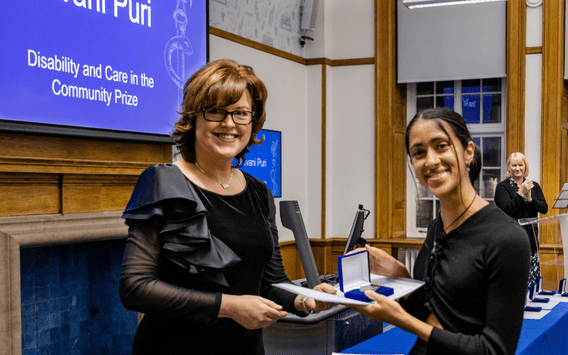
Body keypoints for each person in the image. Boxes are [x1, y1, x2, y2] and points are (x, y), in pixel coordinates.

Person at [119, 59, 335, 355]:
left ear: (252, 121)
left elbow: (270, 282)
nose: (229, 123)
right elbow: (135, 287)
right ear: (194, 117)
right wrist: (228, 306)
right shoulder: (162, 181)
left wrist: (304, 299)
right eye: (216, 111)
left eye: (241, 113)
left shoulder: (258, 191)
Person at [350, 108, 530, 355]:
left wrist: (401, 320)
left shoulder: (506, 238)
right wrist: (399, 273)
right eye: (419, 153)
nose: (431, 161)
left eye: (441, 146)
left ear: (468, 153)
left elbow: (495, 351)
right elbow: (432, 314)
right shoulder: (437, 227)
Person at [494, 152, 548, 289]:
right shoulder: (502, 187)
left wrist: (530, 199)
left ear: (525, 167)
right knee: (515, 285)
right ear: (508, 167)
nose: (517, 168)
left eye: (520, 165)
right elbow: (506, 210)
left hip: (531, 241)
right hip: (511, 242)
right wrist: (520, 194)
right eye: (514, 165)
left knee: (533, 287)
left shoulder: (533, 185)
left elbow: (544, 208)